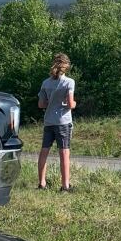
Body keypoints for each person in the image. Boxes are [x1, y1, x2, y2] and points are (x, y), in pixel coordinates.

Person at [37, 53, 76, 192]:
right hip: (63, 122)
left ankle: (42, 183)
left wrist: (51, 103)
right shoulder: (69, 82)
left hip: (49, 121)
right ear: (66, 66)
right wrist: (73, 104)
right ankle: (65, 186)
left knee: (44, 151)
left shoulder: (45, 83)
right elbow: (70, 104)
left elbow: (41, 104)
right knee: (64, 152)